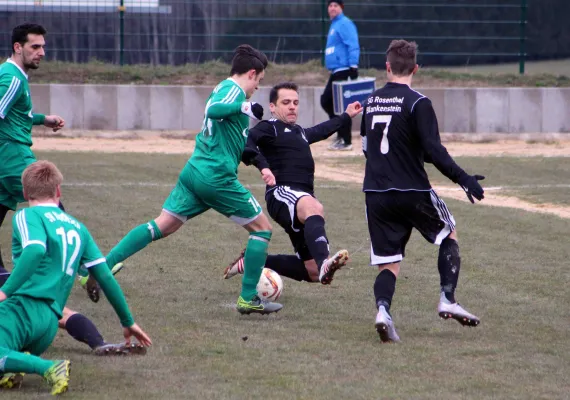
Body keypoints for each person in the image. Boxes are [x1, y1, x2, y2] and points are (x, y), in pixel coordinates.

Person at [104, 45, 282, 315]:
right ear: (252, 73)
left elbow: (228, 128)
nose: (257, 87)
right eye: (259, 81)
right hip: (215, 177)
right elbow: (213, 110)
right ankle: (248, 298)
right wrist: (245, 105)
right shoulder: (234, 92)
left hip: (195, 171)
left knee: (163, 226)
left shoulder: (224, 86)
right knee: (262, 229)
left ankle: (101, 269)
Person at [0, 23, 136, 357]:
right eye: (35, 47)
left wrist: (43, 119)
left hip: (7, 156)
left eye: (43, 47)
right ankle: (80, 270)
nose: (41, 52)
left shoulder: (17, 77)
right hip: (12, 157)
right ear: (18, 47)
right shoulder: (11, 76)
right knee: (49, 200)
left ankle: (6, 278)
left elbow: (16, 113)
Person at [360, 40, 484, 343]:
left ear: (386, 67)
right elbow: (434, 150)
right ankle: (447, 298)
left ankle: (383, 311)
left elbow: (368, 148)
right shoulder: (419, 102)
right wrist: (463, 178)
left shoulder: (370, 101)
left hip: (375, 193)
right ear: (416, 68)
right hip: (412, 190)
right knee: (448, 233)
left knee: (389, 262)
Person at [0, 161, 152, 395]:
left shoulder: (26, 215)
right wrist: (127, 321)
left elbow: (36, 249)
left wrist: (4, 291)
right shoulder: (79, 228)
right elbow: (105, 277)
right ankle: (13, 368)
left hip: (23, 310)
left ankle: (49, 367)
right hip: (49, 323)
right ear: (58, 192)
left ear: (24, 193)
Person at [224, 82, 361, 284]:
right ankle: (325, 263)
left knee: (312, 271)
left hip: (299, 199)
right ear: (272, 107)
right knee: (314, 207)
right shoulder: (269, 127)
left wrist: (346, 115)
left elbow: (322, 130)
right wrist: (262, 165)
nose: (292, 107)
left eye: (295, 103)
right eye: (286, 102)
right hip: (282, 193)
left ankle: (252, 260)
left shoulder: (300, 132)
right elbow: (246, 142)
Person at [320, 0, 360, 151]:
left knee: (340, 105)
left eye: (335, 5)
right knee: (327, 101)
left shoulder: (344, 23)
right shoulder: (334, 25)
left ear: (341, 8)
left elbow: (352, 43)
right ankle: (340, 135)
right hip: (336, 70)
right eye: (330, 5)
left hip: (344, 69)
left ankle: (346, 140)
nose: (332, 8)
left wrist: (353, 65)